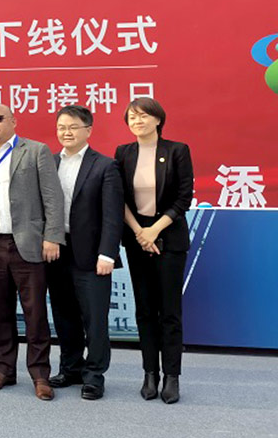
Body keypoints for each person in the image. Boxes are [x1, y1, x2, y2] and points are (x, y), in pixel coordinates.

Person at [0, 103, 65, 401]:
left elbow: (53, 197)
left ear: (13, 121)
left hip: (28, 244)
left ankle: (40, 375)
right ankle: (3, 370)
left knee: (35, 314)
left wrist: (52, 237)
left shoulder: (35, 151)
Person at [114, 98, 193, 405]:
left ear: (158, 120)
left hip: (168, 237)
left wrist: (154, 230)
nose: (138, 121)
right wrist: (139, 232)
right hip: (137, 238)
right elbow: (119, 197)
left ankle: (172, 376)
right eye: (132, 117)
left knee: (169, 312)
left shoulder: (177, 150)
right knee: (145, 310)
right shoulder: (124, 153)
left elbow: (183, 198)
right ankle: (150, 374)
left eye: (144, 116)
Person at [46, 105, 123, 401]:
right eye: (61, 127)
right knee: (64, 315)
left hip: (92, 256)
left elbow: (112, 215)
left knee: (95, 319)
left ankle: (94, 376)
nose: (66, 132)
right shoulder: (50, 163)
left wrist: (107, 254)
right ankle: (71, 369)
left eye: (73, 127)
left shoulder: (105, 166)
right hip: (57, 251)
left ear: (88, 130)